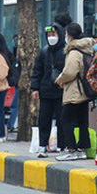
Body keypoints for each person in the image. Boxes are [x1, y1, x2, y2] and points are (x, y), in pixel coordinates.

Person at [55, 23, 93, 161]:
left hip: (74, 90)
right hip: (83, 90)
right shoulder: (86, 49)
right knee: (82, 120)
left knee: (65, 119)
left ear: (69, 36)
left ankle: (71, 149)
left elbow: (70, 71)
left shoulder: (74, 51)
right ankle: (82, 148)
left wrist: (59, 80)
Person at [31, 23, 67, 156]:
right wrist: (35, 88)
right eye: (49, 35)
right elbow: (37, 70)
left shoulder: (65, 50)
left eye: (54, 35)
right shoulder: (44, 51)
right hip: (45, 90)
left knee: (62, 119)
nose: (51, 37)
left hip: (61, 90)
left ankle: (63, 146)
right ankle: (42, 145)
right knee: (44, 119)